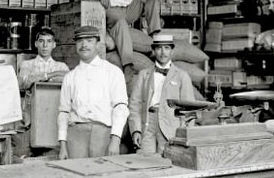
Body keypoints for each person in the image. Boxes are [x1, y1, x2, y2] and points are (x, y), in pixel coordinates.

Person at [57, 26, 129, 160]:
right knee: (76, 177)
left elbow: (121, 107)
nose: (84, 45)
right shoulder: (70, 77)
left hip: (104, 134)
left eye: (89, 40)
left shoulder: (113, 72)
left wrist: (115, 139)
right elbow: (64, 112)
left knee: (103, 177)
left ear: (97, 44)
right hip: (76, 137)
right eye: (80, 41)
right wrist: (63, 146)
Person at [128, 31, 196, 154]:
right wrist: (136, 130)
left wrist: (186, 134)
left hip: (170, 126)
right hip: (147, 124)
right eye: (159, 48)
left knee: (168, 161)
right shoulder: (144, 74)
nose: (163, 52)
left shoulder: (182, 76)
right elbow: (134, 104)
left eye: (166, 48)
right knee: (144, 162)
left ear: (172, 51)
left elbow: (189, 109)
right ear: (154, 51)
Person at [12, 27, 70, 157]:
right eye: (41, 41)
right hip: (29, 119)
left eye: (49, 41)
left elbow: (67, 79)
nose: (45, 45)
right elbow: (24, 82)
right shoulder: (27, 65)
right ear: (36, 43)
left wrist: (40, 77)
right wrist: (51, 75)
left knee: (50, 155)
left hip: (52, 118)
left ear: (54, 45)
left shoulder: (62, 66)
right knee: (23, 153)